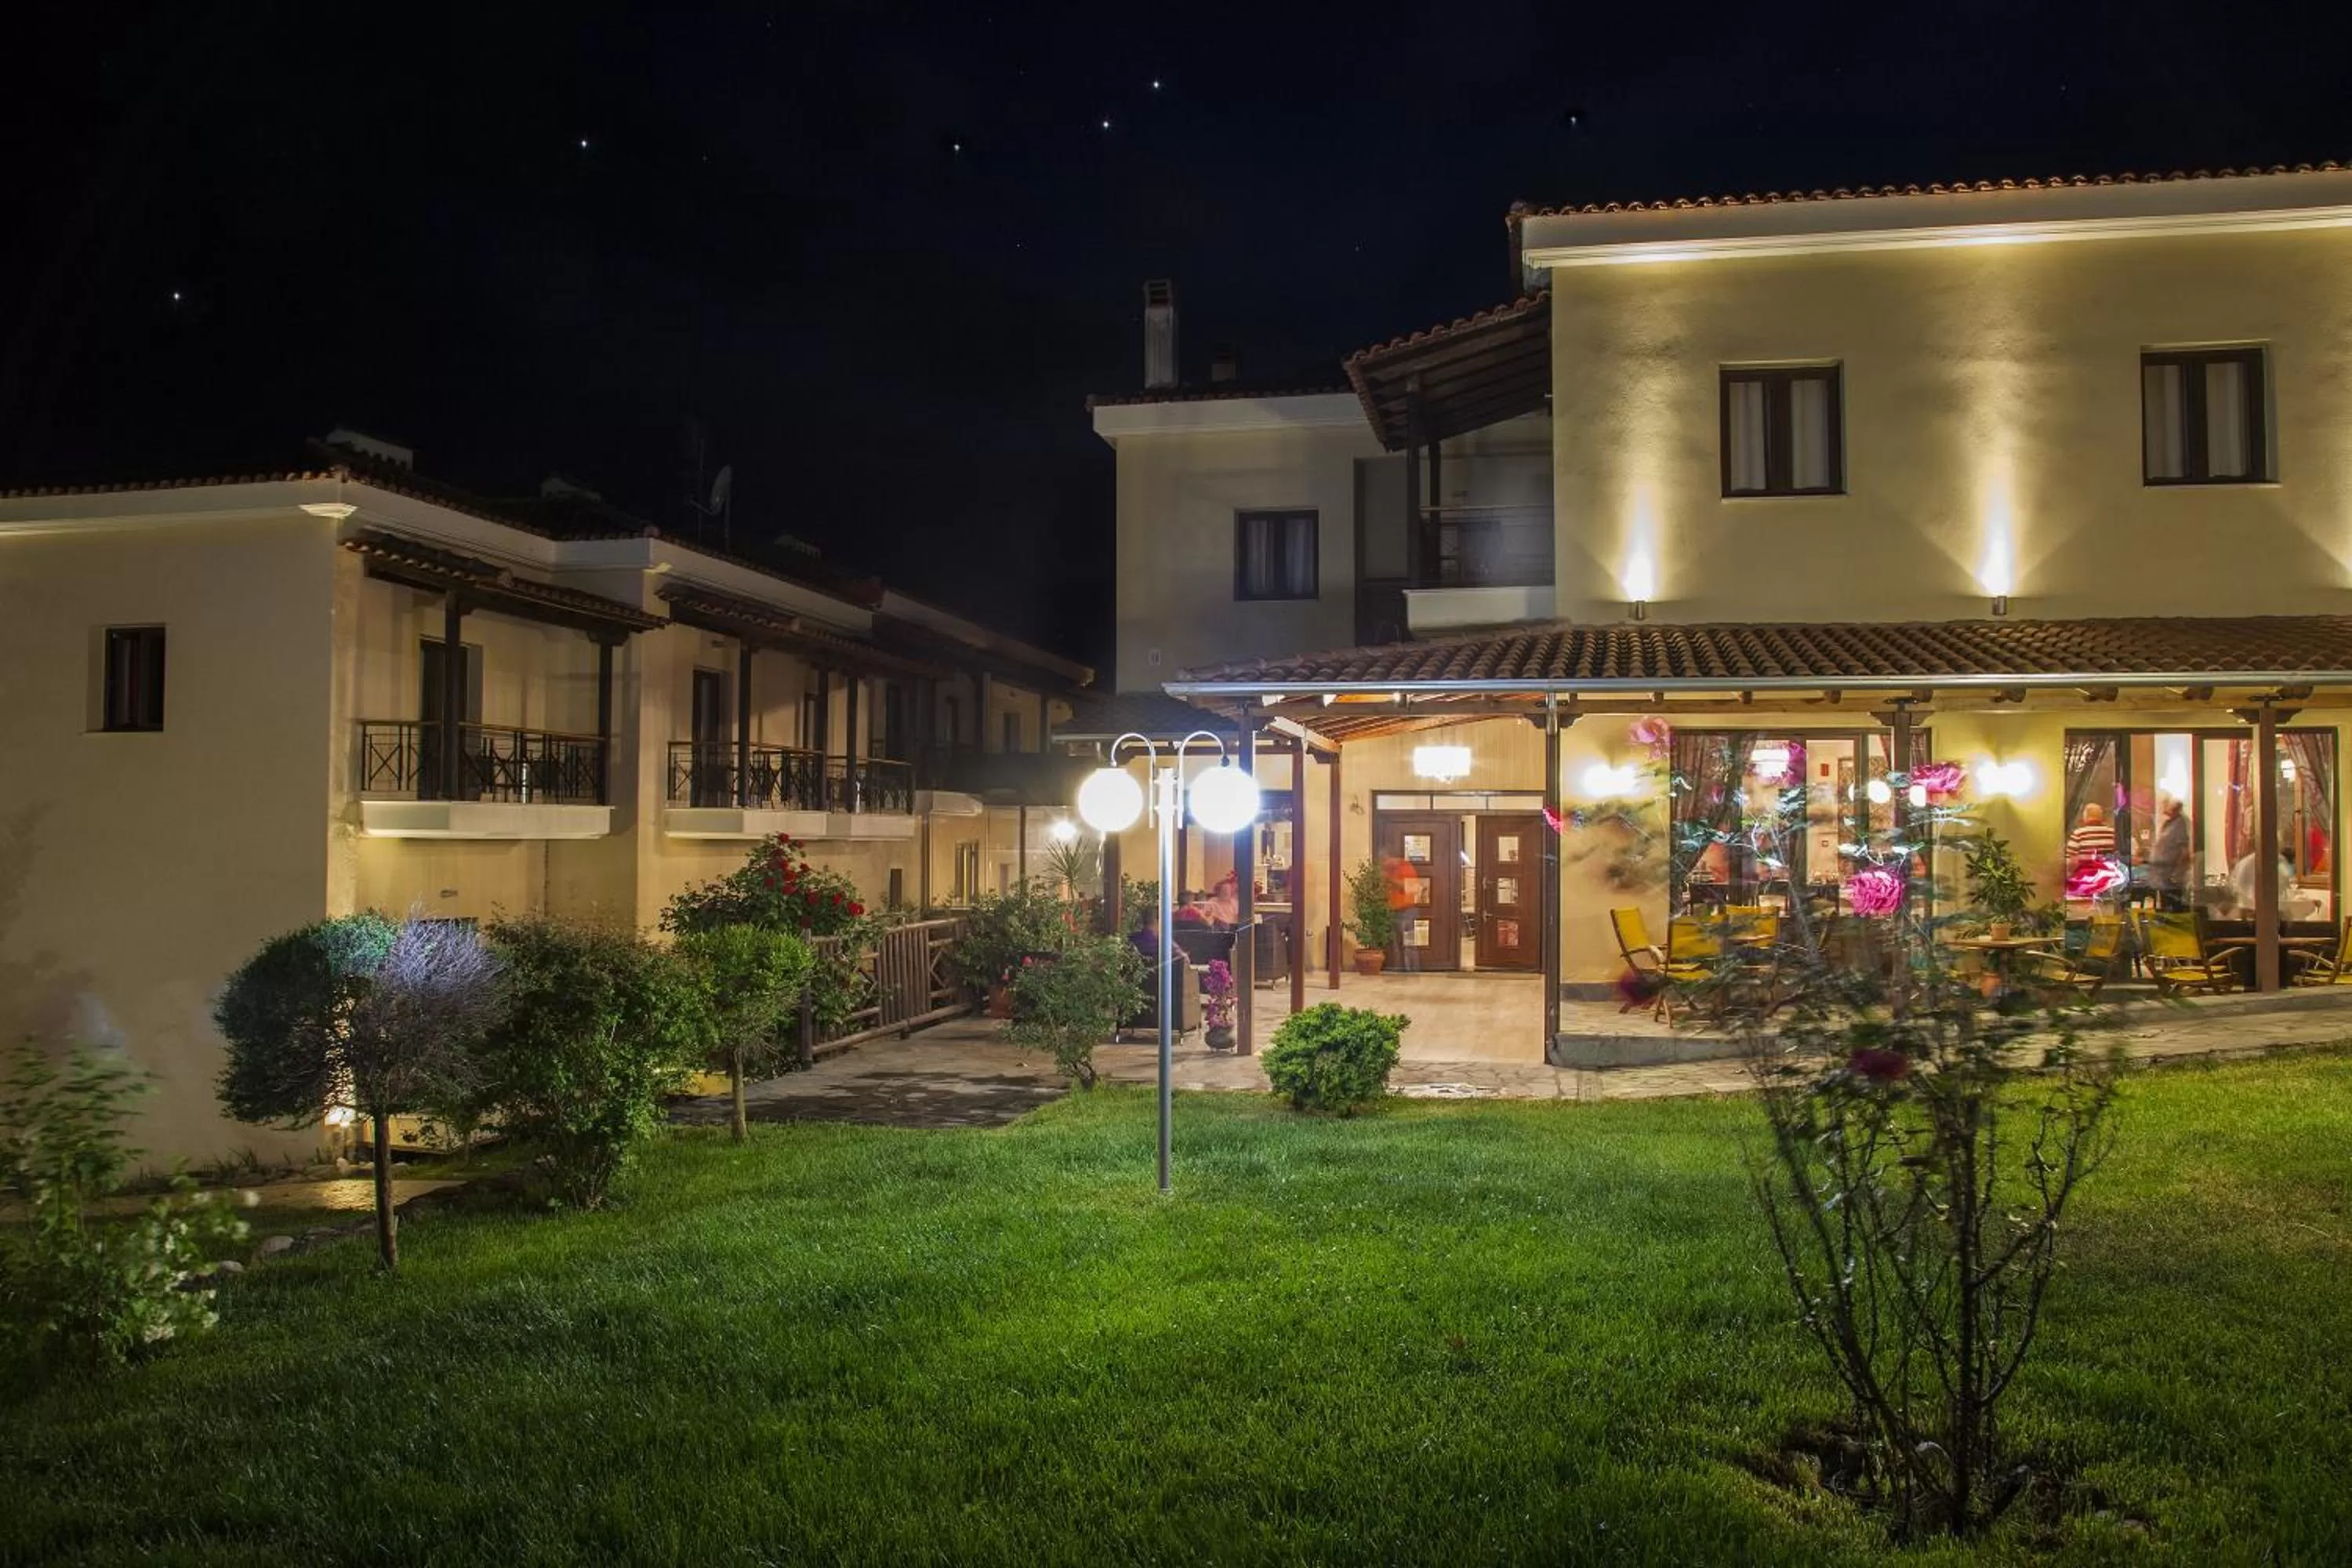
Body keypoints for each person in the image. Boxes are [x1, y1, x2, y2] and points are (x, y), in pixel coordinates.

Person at [2230, 847, 2302, 920]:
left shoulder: (2243, 862)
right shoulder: (2279, 860)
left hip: (2247, 909)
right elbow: (2287, 878)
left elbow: (2236, 885)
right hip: (2272, 909)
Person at [2148, 799, 2191, 912]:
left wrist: (2177, 872)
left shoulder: (2180, 823)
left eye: (2165, 804)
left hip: (2171, 876)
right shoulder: (2169, 823)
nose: (2162, 807)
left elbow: (2184, 850)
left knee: (2174, 906)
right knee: (2164, 905)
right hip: (2162, 875)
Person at [1384, 853, 1423, 972]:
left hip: (1407, 911)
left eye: (1386, 859)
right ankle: (1400, 971)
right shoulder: (1388, 869)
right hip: (1393, 911)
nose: (1384, 863)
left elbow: (1411, 888)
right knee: (1396, 946)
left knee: (1409, 945)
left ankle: (1412, 972)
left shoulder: (1406, 867)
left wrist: (1390, 879)